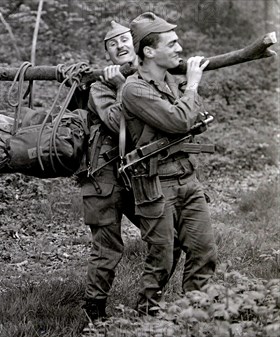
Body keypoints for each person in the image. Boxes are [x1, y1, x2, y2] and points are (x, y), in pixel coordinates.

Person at [121, 12, 217, 316]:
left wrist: (186, 91)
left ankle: (194, 313)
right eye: (172, 43)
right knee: (162, 257)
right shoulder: (134, 89)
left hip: (187, 178)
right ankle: (147, 317)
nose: (179, 48)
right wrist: (192, 86)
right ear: (149, 51)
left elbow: (193, 120)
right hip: (156, 184)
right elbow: (178, 121)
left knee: (204, 251)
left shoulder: (171, 82)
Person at [78, 21, 141, 321]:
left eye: (125, 39)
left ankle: (150, 304)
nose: (121, 46)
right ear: (107, 52)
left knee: (169, 233)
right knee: (107, 245)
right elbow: (116, 124)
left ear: (137, 42)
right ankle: (95, 313)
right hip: (104, 175)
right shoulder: (99, 86)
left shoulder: (148, 76)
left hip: (141, 173)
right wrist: (120, 87)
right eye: (113, 44)